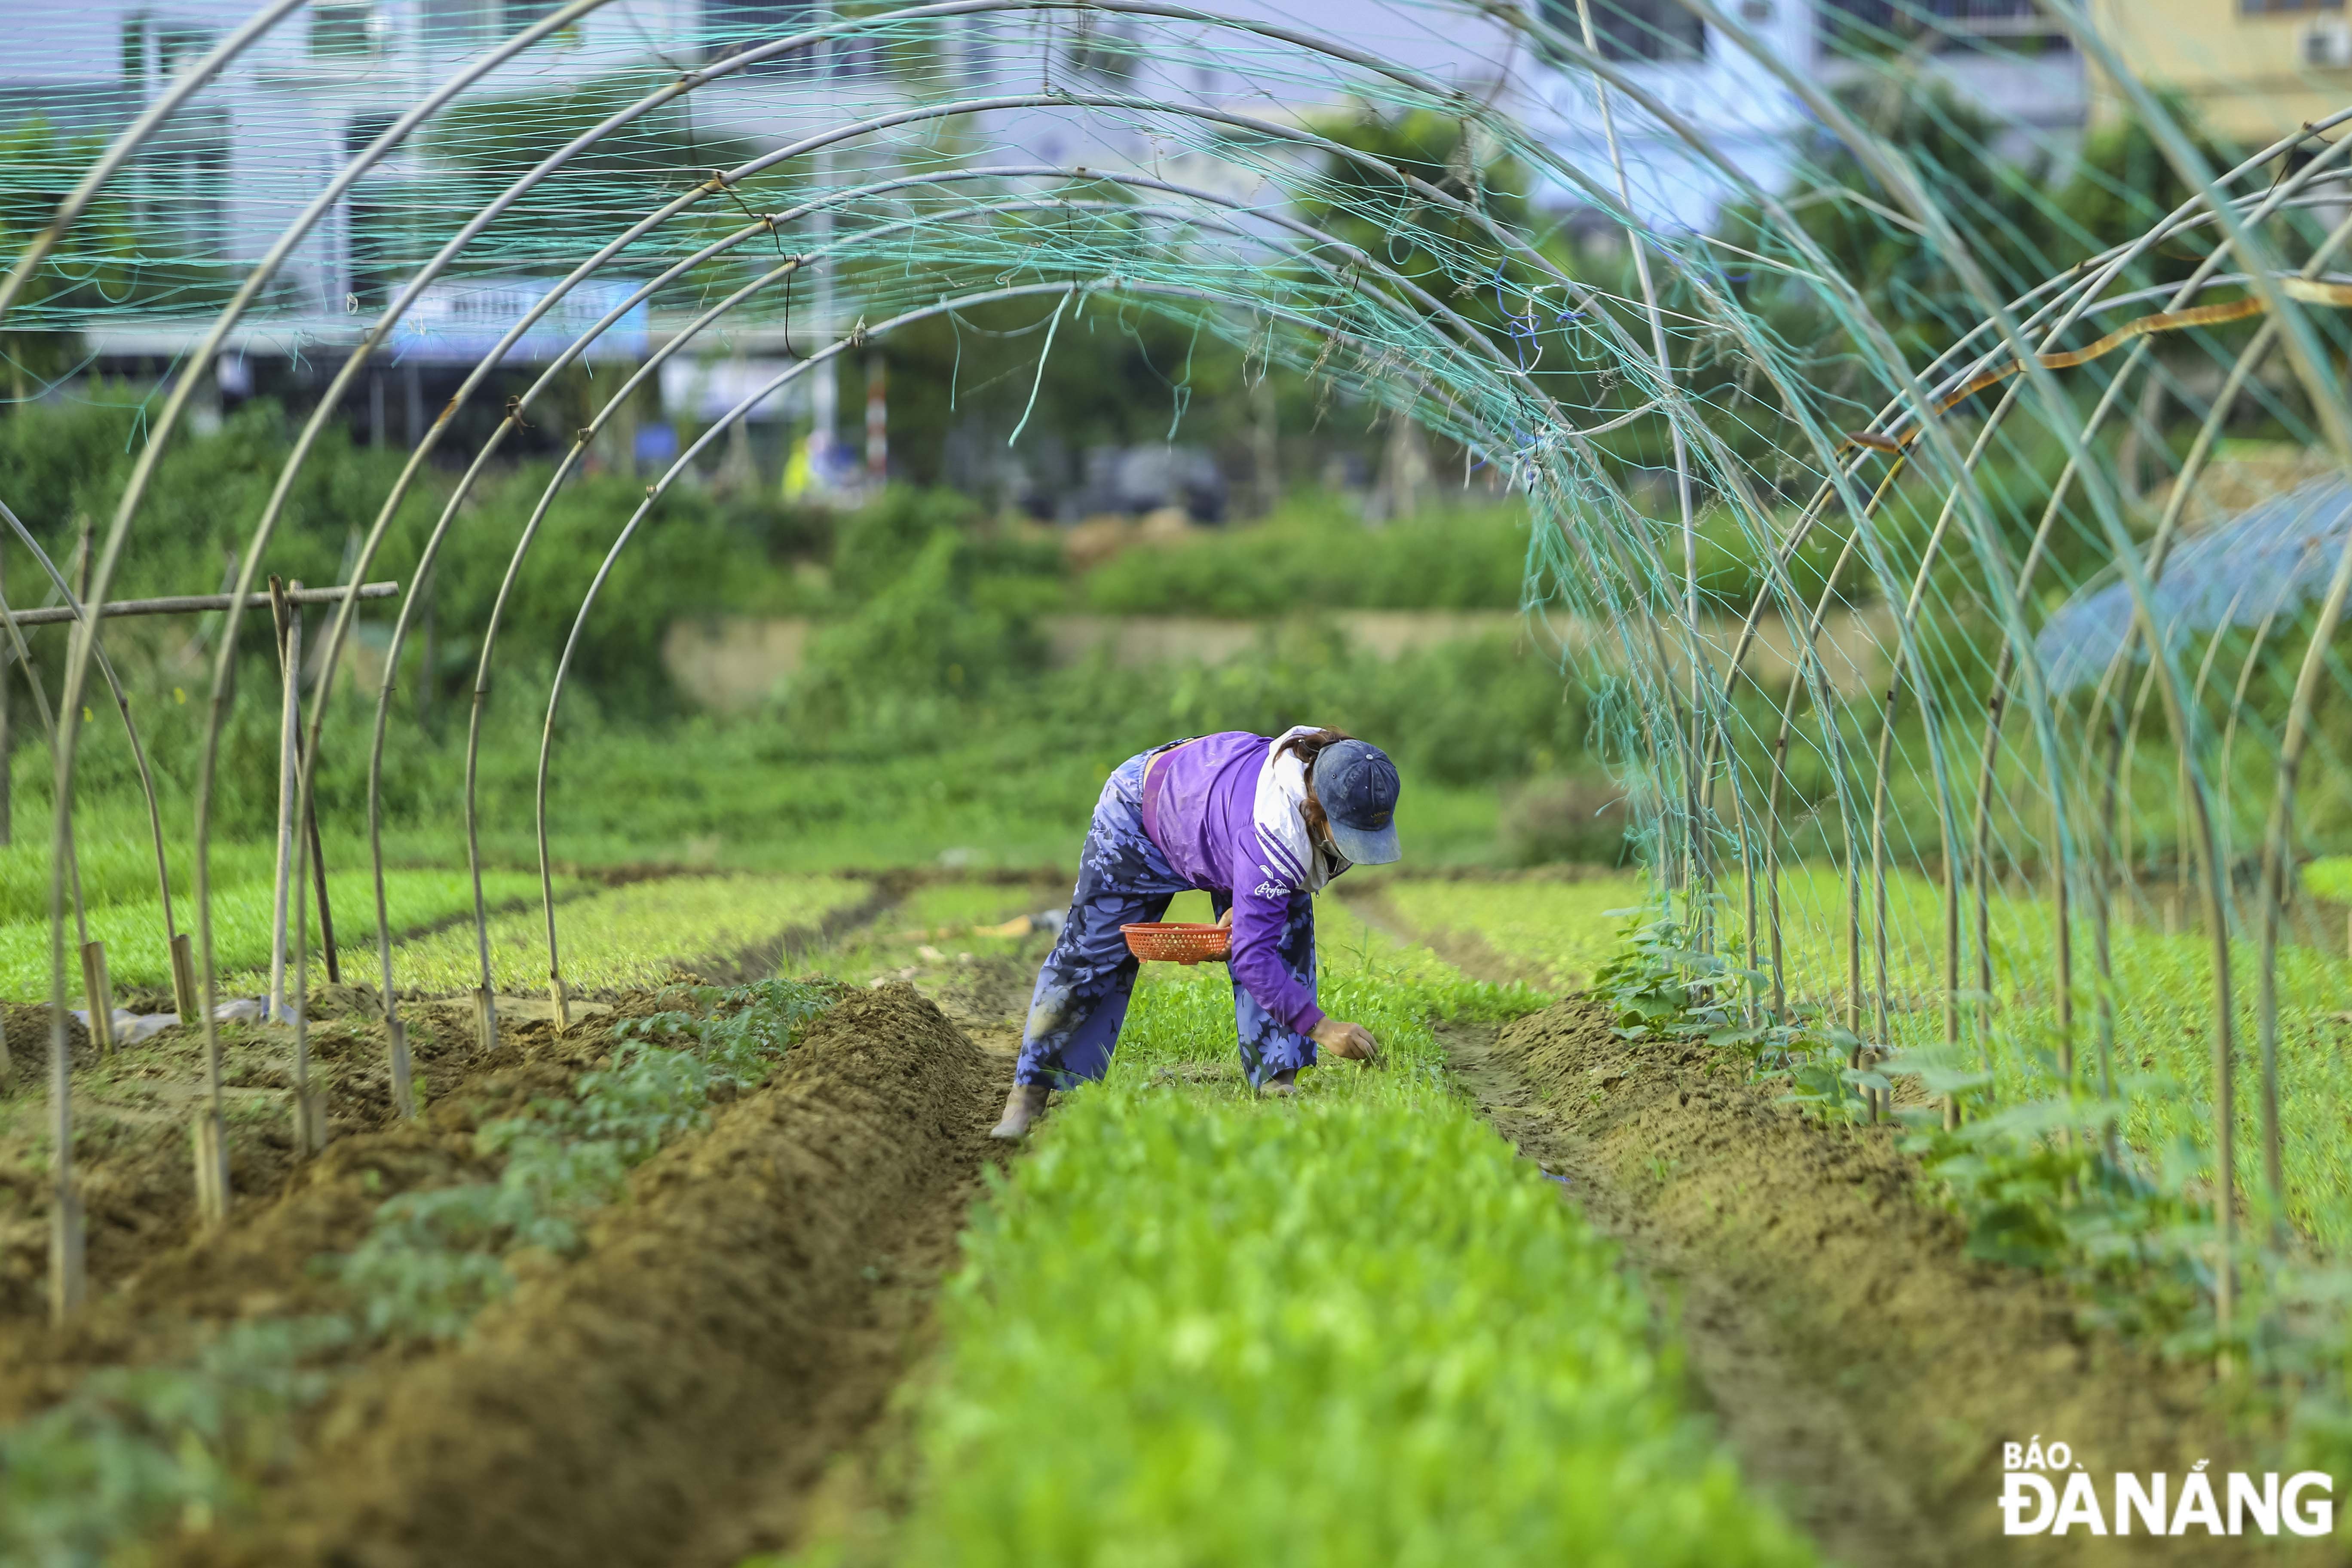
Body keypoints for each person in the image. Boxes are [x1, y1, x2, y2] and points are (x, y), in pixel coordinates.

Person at [990, 726, 1400, 1140]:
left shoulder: (1338, 770)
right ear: (1316, 808)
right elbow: (1253, 959)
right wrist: (1324, 1028)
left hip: (1220, 816)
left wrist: (1248, 908)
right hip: (1143, 813)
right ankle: (1030, 1091)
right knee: (1092, 954)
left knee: (1283, 928)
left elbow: (1262, 889)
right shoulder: (1275, 834)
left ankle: (1278, 1083)